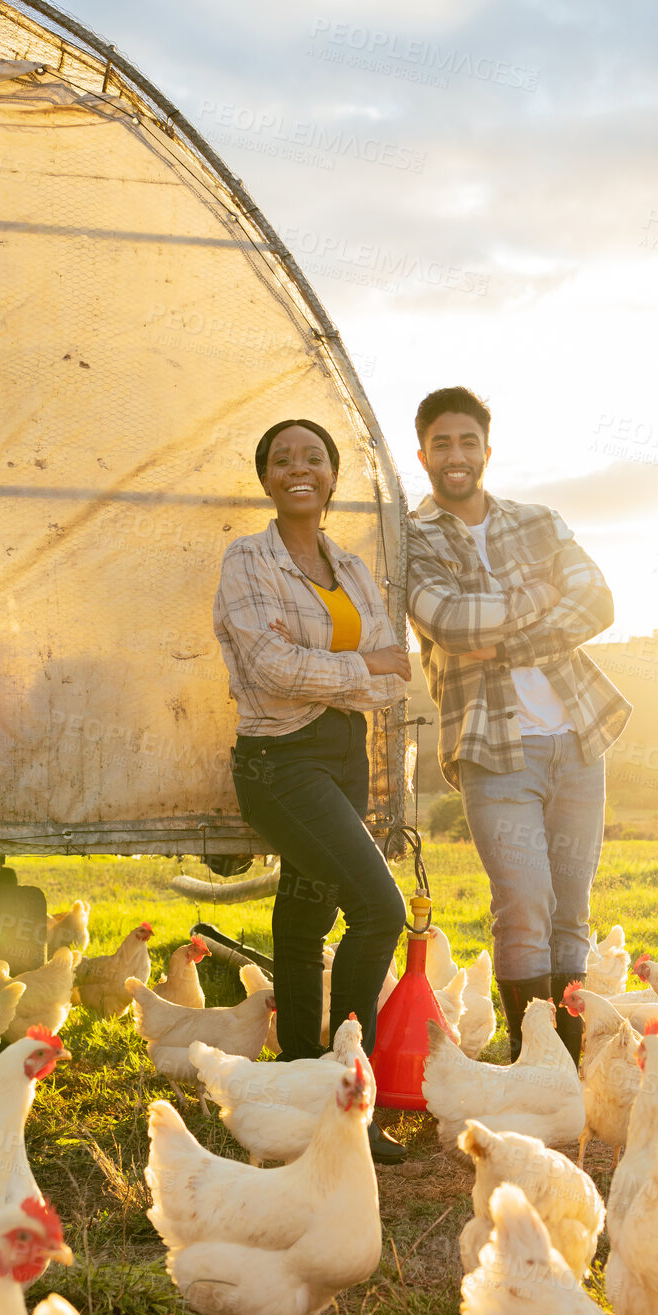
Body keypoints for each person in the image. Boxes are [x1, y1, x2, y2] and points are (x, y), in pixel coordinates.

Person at [406, 386, 631, 1064]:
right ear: (422, 455)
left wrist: (504, 635)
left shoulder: (539, 520)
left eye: (467, 441)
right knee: (525, 907)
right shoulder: (409, 541)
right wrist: (539, 598)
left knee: (571, 912)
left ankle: (565, 1066)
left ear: (486, 450)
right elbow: (448, 621)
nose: (456, 454)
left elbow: (598, 600)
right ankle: (532, 1061)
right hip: (493, 749)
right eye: (441, 442)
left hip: (577, 737)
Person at [213, 418, 411, 1164]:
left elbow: (398, 677)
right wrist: (361, 669)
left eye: (315, 457)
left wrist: (351, 674)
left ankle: (298, 1086)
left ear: (332, 477)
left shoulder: (353, 570)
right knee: (378, 908)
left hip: (343, 754)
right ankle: (343, 1092)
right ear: (266, 477)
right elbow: (269, 666)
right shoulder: (247, 560)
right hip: (278, 760)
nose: (300, 468)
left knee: (304, 926)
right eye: (283, 458)